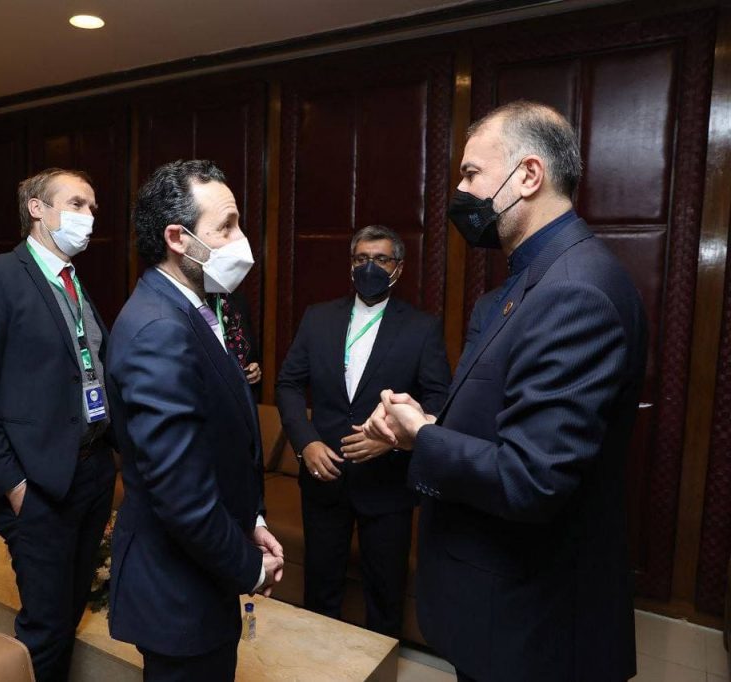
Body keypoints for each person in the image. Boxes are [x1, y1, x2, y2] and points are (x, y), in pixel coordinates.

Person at [363, 101, 647, 682]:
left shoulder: (575, 293)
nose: (460, 192)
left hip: (534, 626)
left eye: (471, 173)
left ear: (529, 175)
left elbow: (530, 479)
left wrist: (423, 438)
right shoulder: (527, 283)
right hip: (503, 612)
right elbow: (505, 420)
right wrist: (427, 422)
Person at [105, 160, 283, 681]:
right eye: (226, 227)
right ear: (178, 239)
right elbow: (181, 493)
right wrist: (250, 568)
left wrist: (250, 522)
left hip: (201, 571)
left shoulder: (196, 309)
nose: (241, 240)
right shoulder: (160, 329)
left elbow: (219, 443)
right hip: (177, 591)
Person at [0, 168, 115, 682]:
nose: (89, 216)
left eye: (92, 207)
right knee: (45, 628)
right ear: (37, 208)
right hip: (38, 486)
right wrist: (14, 486)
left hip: (92, 473)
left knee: (70, 612)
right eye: (77, 203)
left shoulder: (73, 281)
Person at [275, 224, 450, 636]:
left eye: (381, 259)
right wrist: (306, 443)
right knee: (321, 590)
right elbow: (288, 384)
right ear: (351, 264)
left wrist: (394, 439)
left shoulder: (422, 328)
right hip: (324, 477)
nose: (369, 266)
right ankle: (321, 664)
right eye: (361, 259)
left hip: (386, 484)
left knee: (385, 594)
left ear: (398, 268)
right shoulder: (318, 318)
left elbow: (441, 399)